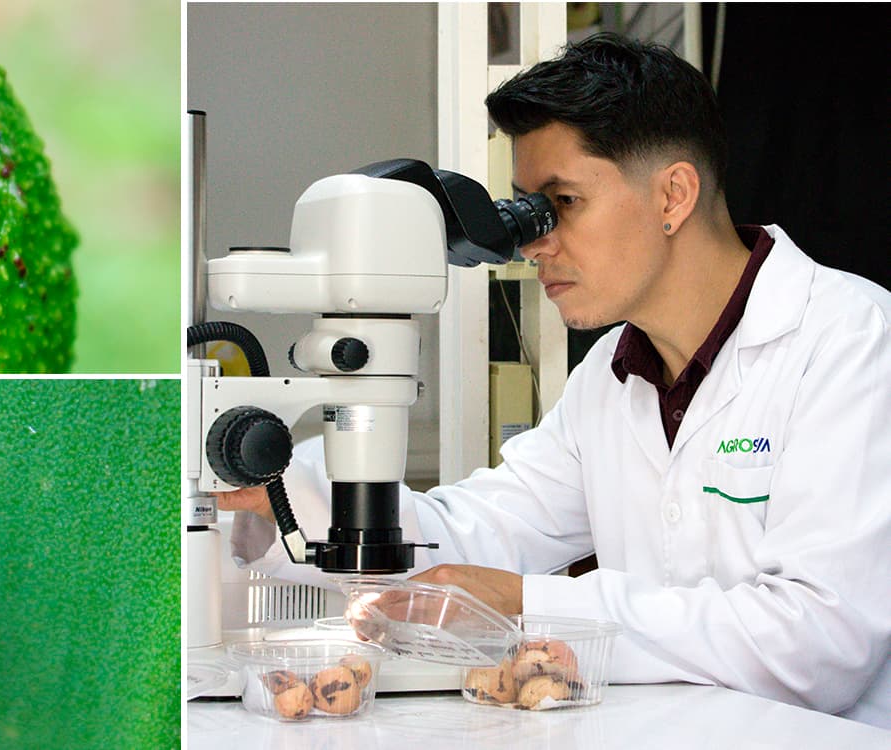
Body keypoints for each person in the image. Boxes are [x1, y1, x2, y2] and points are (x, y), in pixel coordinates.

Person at [218, 33, 891, 728]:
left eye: (561, 202)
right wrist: (290, 495)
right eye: (526, 209)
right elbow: (482, 533)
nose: (535, 242)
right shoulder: (612, 374)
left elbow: (818, 642)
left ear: (674, 194)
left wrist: (532, 604)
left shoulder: (851, 342)